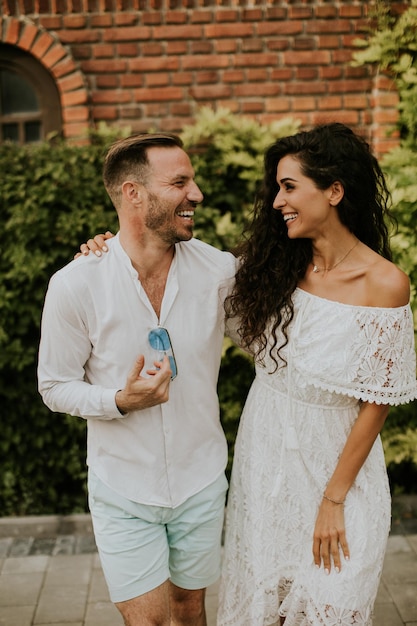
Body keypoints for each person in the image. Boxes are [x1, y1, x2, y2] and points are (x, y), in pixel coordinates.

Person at [215, 123, 417, 625]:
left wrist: (334, 499)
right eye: (277, 188)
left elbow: (378, 401)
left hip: (339, 476)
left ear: (333, 190)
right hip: (266, 465)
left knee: (333, 607)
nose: (278, 201)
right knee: (269, 612)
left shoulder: (384, 283)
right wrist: (104, 250)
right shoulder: (271, 268)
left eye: (289, 187)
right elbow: (178, 264)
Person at [37, 132, 237, 626]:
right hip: (122, 485)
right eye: (180, 182)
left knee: (190, 611)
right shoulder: (76, 283)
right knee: (147, 622)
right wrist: (119, 400)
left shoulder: (219, 271)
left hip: (202, 476)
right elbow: (54, 385)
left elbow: (268, 339)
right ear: (133, 193)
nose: (197, 194)